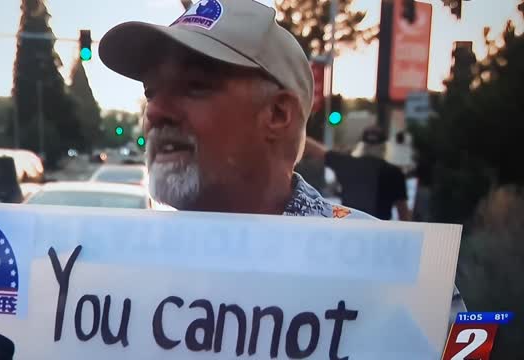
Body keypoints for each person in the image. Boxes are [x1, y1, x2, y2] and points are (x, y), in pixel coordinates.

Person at [98, 0, 464, 323]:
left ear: (277, 114)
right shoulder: (104, 279)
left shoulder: (407, 284)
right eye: (151, 91)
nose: (156, 111)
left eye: (195, 85)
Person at [304, 126, 412, 221]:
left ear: (362, 145)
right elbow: (403, 213)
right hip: (380, 232)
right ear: (385, 146)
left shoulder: (347, 164)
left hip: (351, 227)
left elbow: (315, 149)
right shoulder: (394, 172)